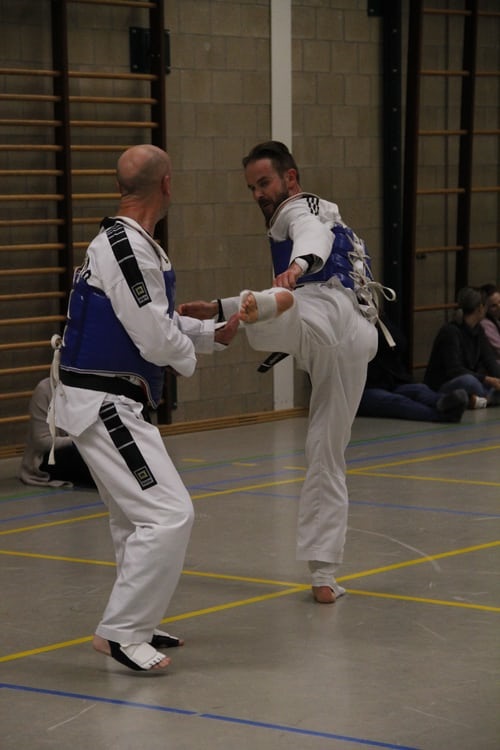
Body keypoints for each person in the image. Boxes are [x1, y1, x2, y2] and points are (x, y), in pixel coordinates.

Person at [49, 144, 239, 672]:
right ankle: (120, 633)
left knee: (134, 520)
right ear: (168, 185)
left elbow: (150, 320)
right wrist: (189, 353)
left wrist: (210, 333)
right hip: (104, 402)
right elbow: (155, 338)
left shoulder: (131, 244)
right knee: (168, 513)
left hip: (109, 397)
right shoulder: (125, 248)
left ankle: (139, 619)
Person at [179, 140, 382, 605]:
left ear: (290, 177)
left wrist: (298, 265)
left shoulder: (301, 208)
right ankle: (325, 574)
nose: (258, 195)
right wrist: (220, 308)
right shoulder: (334, 216)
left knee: (274, 324)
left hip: (326, 310)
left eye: (264, 182)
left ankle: (270, 305)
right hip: (355, 340)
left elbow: (312, 236)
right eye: (251, 187)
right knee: (325, 450)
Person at [357, 315, 468, 422]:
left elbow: (400, 343)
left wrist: (378, 321)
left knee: (419, 389)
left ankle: (444, 401)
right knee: (395, 402)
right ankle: (440, 415)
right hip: (364, 390)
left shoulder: (377, 319)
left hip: (390, 383)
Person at [424, 286, 500, 408]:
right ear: (480, 308)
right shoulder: (450, 332)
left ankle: (482, 399)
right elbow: (455, 370)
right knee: (470, 382)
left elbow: (489, 358)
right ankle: (486, 398)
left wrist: (497, 377)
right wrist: (488, 379)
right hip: (445, 383)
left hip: (471, 378)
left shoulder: (478, 330)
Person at [19, 377, 96, 488]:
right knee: (85, 456)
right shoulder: (44, 389)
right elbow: (41, 441)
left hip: (83, 446)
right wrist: (78, 441)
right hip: (50, 456)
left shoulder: (90, 388)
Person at [480, 283, 500, 361]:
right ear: (485, 309)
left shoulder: (496, 318)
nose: (499, 307)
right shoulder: (485, 324)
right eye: (494, 306)